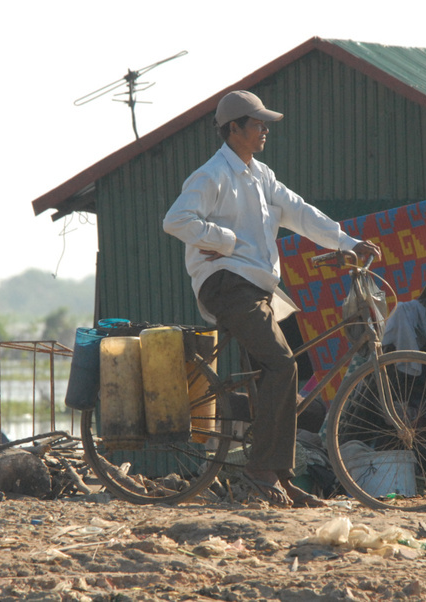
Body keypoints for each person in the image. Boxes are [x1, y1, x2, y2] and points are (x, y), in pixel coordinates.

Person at [163, 90, 381, 508]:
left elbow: (300, 212)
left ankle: (280, 478)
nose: (265, 130)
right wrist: (221, 239)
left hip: (257, 286)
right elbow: (176, 220)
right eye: (258, 123)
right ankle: (260, 471)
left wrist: (348, 241)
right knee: (281, 364)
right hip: (226, 283)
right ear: (234, 129)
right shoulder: (212, 175)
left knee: (277, 374)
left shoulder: (260, 174)